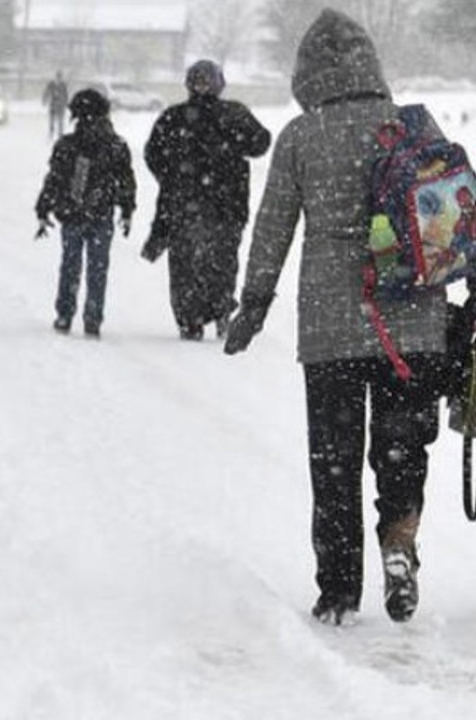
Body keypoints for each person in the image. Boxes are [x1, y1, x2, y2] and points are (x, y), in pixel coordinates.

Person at [223, 9, 452, 626]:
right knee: (402, 448)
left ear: (307, 73)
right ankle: (399, 542)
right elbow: (452, 216)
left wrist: (253, 302)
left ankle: (338, 591)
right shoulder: (410, 128)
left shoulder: (301, 136)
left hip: (331, 329)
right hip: (415, 322)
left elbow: (272, 228)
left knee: (335, 460)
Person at [143, 60, 272, 341]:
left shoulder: (174, 117)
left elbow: (153, 154)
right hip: (227, 204)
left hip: (187, 205)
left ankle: (192, 318)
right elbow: (261, 142)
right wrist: (233, 143)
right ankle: (219, 309)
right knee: (221, 262)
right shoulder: (233, 113)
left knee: (186, 266)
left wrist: (172, 177)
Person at [34, 88, 136, 339]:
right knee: (97, 268)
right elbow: (126, 180)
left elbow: (54, 180)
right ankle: (92, 318)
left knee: (70, 265)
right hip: (101, 214)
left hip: (72, 213)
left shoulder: (68, 145)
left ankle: (65, 314)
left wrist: (44, 207)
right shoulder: (116, 145)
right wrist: (126, 208)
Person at [42, 71, 69, 140]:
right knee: (52, 120)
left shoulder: (63, 85)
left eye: (60, 77)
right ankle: (51, 132)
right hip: (53, 104)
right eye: (58, 77)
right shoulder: (51, 84)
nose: (59, 79)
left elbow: (66, 95)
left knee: (60, 120)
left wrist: (66, 103)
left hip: (60, 105)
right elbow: (46, 92)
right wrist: (44, 99)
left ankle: (60, 134)